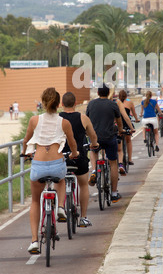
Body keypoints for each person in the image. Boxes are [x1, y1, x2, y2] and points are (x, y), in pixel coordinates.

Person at [23, 87, 79, 255]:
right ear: (58, 104)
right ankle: (60, 207)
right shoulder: (64, 122)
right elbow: (73, 143)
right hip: (56, 163)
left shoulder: (34, 120)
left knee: (34, 201)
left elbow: (26, 141)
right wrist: (75, 153)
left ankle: (34, 241)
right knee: (61, 180)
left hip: (38, 164)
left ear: (43, 102)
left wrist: (25, 153)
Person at [60, 92, 99, 227]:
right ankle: (83, 217)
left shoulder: (58, 118)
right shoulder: (83, 118)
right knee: (83, 184)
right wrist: (94, 144)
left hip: (62, 158)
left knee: (59, 182)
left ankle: (60, 207)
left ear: (62, 104)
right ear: (75, 104)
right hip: (79, 157)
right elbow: (93, 135)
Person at [86, 83, 123, 203]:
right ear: (108, 93)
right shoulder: (113, 104)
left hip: (95, 138)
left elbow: (86, 120)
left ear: (97, 93)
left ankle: (94, 171)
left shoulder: (91, 104)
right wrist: (121, 131)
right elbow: (119, 120)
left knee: (93, 150)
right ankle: (113, 193)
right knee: (113, 163)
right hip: (109, 138)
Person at [118, 89, 139, 170]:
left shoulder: (116, 102)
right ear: (126, 96)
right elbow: (134, 113)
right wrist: (136, 119)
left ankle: (119, 160)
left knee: (120, 142)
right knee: (128, 141)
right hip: (127, 124)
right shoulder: (129, 102)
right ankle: (129, 159)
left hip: (119, 124)